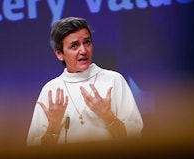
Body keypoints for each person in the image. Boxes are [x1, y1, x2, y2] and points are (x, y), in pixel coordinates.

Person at [26, 17, 143, 146]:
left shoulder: (113, 80)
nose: (83, 50)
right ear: (59, 54)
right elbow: (35, 149)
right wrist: (53, 128)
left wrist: (108, 117)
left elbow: (135, 136)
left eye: (87, 42)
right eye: (74, 46)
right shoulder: (51, 90)